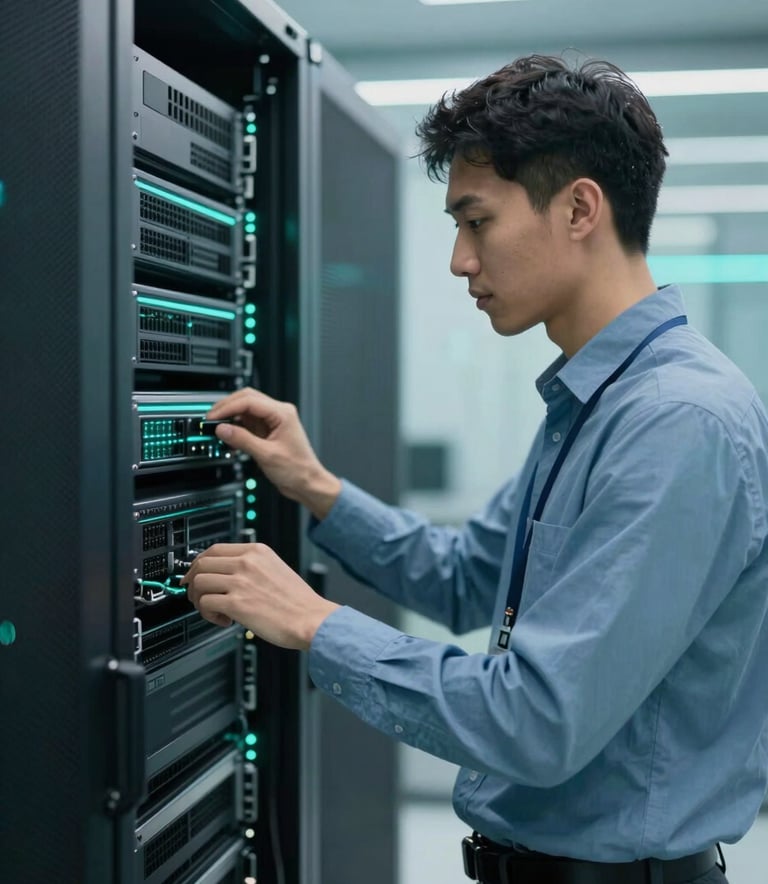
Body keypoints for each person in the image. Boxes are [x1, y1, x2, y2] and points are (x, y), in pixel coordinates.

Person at [182, 54, 768, 884]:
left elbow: (538, 720)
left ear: (579, 209)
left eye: (477, 221)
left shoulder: (675, 422)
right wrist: (316, 487)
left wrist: (314, 622)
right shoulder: (592, 403)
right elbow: (467, 579)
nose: (461, 260)